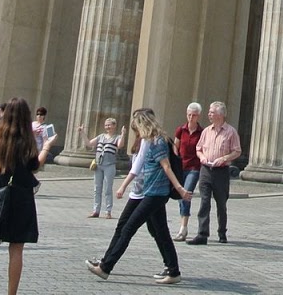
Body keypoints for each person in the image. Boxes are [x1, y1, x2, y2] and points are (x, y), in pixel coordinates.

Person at [85, 107, 188, 283]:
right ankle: (173, 271)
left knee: (128, 229)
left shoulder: (157, 141)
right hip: (150, 192)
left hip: (155, 194)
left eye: (137, 126)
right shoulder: (150, 140)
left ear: (143, 124)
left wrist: (180, 189)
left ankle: (105, 267)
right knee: (160, 232)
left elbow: (166, 166)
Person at [0, 98, 54, 295]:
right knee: (16, 250)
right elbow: (34, 167)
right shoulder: (26, 142)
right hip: (21, 198)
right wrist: (46, 147)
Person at [186, 101, 241, 245]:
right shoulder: (206, 131)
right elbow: (198, 149)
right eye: (209, 112)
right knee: (204, 202)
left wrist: (224, 158)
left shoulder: (230, 132)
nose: (209, 114)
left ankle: (222, 232)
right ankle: (202, 234)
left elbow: (237, 151)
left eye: (212, 112)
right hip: (205, 170)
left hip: (221, 171)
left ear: (220, 115)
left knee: (221, 203)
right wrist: (202, 157)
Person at [78, 117, 124, 220]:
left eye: (109, 125)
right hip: (98, 165)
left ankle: (108, 211)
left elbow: (120, 145)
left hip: (109, 165)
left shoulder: (117, 137)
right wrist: (82, 133)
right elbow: (89, 143)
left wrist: (123, 134)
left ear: (114, 126)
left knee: (108, 189)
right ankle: (96, 210)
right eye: (106, 125)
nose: (107, 127)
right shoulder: (101, 136)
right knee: (97, 188)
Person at [171, 103, 203, 238]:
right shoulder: (181, 129)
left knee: (186, 193)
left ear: (198, 116)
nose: (191, 117)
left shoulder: (202, 132)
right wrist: (175, 158)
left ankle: (183, 227)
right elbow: (175, 145)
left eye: (194, 115)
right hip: (181, 166)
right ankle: (183, 224)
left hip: (194, 167)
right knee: (180, 195)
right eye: (189, 115)